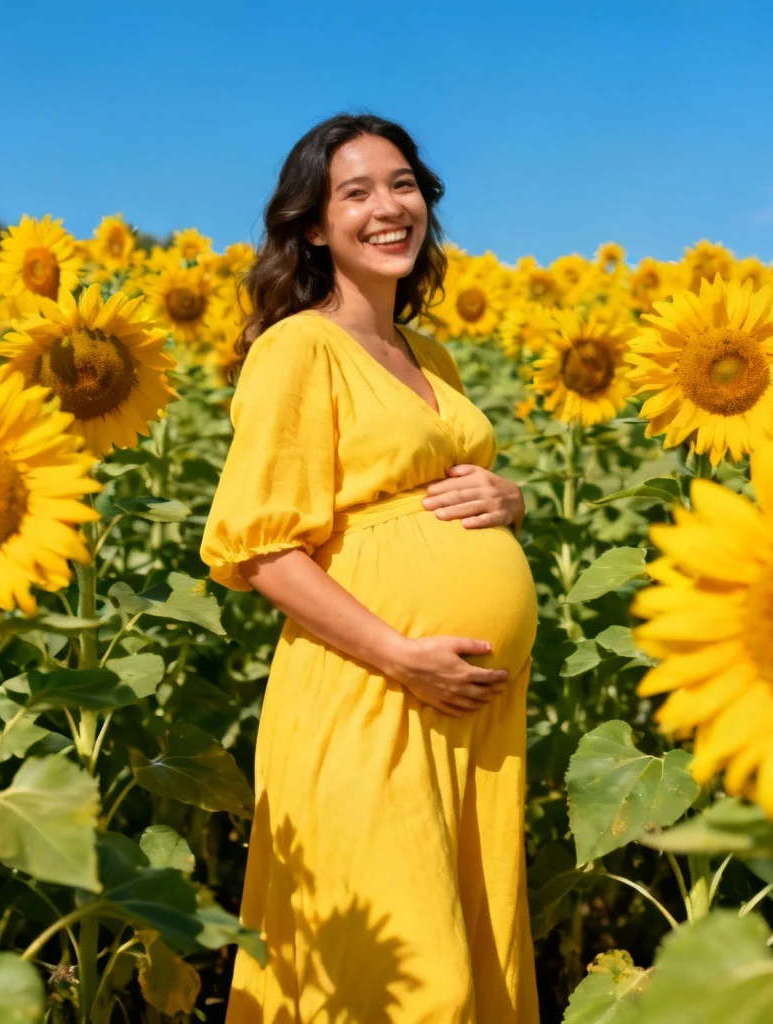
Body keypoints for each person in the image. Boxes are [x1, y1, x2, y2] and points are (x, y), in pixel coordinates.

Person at [200, 112, 540, 1023]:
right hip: (368, 697)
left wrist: (510, 501)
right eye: (355, 192)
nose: (389, 208)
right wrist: (399, 654)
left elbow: (436, 488)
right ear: (312, 226)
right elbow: (261, 550)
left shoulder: (431, 355)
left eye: (402, 185)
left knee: (466, 960)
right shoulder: (297, 348)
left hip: (467, 720)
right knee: (404, 983)